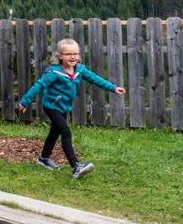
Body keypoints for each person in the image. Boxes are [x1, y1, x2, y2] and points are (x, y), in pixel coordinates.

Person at [16, 38, 126, 178]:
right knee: (65, 131)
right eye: (68, 54)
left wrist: (113, 88)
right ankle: (76, 166)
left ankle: (43, 158)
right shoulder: (53, 72)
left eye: (75, 53)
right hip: (52, 106)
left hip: (64, 107)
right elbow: (39, 85)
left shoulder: (80, 69)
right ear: (60, 56)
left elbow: (95, 78)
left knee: (54, 132)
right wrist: (25, 102)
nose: (73, 56)